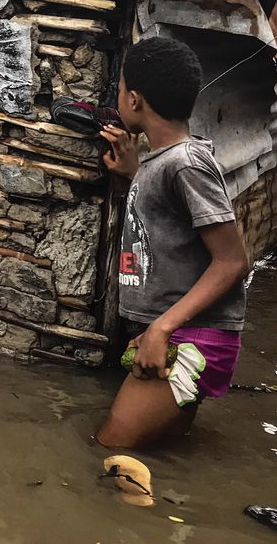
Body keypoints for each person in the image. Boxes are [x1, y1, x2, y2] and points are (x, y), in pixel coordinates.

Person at [95, 36, 249, 449]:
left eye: (121, 88)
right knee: (164, 454)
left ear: (135, 100)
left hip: (189, 338)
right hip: (181, 334)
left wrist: (161, 328)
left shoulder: (186, 164)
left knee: (107, 450)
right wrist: (134, 173)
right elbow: (168, 215)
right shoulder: (164, 162)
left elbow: (232, 261)